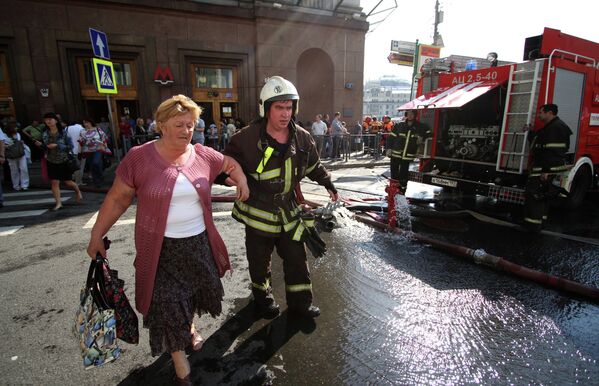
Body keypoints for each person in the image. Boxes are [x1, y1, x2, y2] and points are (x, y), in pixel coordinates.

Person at [86, 95, 249, 385]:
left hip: (198, 246)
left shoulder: (202, 154)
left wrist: (242, 180)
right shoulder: (139, 157)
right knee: (167, 305)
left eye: (191, 124)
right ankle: (181, 369)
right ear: (160, 124)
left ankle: (188, 327)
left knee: (188, 299)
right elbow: (117, 199)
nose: (187, 131)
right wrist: (97, 233)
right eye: (179, 125)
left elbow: (229, 164)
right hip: (160, 251)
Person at [223, 76, 338, 319]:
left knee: (297, 259)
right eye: (279, 107)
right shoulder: (244, 139)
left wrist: (328, 183)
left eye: (289, 107)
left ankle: (300, 305)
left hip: (288, 213)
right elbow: (222, 168)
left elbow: (314, 166)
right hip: (258, 214)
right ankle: (263, 301)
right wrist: (238, 180)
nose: (285, 114)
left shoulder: (303, 138)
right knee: (259, 262)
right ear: (266, 108)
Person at [523, 104, 572, 231]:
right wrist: (531, 132)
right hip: (547, 168)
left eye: (541, 113)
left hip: (545, 169)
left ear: (549, 113)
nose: (539, 115)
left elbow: (551, 152)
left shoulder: (556, 128)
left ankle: (532, 226)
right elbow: (541, 142)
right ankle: (540, 222)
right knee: (543, 196)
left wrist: (545, 171)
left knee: (535, 196)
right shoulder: (553, 127)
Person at [39, 112, 82, 210]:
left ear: (56, 121)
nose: (48, 121)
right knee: (54, 182)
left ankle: (77, 190)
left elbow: (70, 146)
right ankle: (58, 203)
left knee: (68, 182)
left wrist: (58, 145)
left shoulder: (63, 133)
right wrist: (43, 146)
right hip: (51, 160)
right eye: (46, 120)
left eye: (50, 119)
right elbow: (44, 147)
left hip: (63, 159)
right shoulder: (45, 133)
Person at [386, 110, 431, 192]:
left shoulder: (419, 126)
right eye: (408, 114)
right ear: (406, 115)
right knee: (394, 174)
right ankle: (393, 191)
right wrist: (388, 148)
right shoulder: (399, 125)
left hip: (407, 155)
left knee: (403, 174)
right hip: (395, 154)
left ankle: (402, 191)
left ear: (415, 115)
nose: (410, 116)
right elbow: (391, 138)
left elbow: (429, 132)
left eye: (412, 114)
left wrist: (422, 137)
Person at [79, 117, 110, 188]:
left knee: (95, 162)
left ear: (90, 122)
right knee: (92, 166)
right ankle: (97, 181)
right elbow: (80, 141)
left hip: (98, 149)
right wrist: (80, 150)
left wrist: (105, 146)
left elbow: (104, 138)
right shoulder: (82, 131)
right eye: (84, 123)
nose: (85, 124)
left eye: (86, 122)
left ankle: (100, 175)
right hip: (88, 150)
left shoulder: (97, 129)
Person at [3, 119, 29, 191]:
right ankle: (16, 185)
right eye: (15, 127)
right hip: (11, 154)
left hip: (20, 153)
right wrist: (6, 146)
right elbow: (2, 145)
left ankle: (24, 185)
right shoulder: (4, 135)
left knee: (24, 169)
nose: (17, 128)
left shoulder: (18, 134)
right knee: (14, 170)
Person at [66, 120, 85, 185]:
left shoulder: (67, 128)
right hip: (80, 150)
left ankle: (74, 179)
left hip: (70, 150)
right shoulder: (82, 129)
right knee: (80, 166)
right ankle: (79, 181)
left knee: (73, 165)